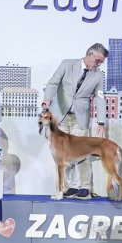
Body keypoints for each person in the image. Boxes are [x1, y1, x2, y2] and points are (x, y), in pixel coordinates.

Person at [43, 43, 108, 199]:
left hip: (80, 117)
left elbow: (99, 98)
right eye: (98, 60)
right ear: (90, 54)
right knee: (61, 154)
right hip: (60, 115)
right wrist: (47, 99)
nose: (99, 64)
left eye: (101, 62)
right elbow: (53, 82)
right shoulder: (67, 64)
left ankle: (85, 187)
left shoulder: (99, 75)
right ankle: (68, 187)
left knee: (83, 152)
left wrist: (101, 122)